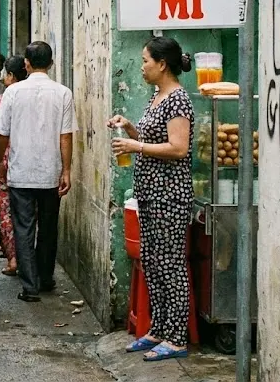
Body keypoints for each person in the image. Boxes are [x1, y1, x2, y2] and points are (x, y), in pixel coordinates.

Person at [107, 37, 194, 362]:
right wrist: (130, 128)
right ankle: (158, 330)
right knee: (153, 262)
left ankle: (176, 337)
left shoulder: (178, 100)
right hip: (150, 194)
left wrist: (136, 148)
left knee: (171, 264)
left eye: (145, 61)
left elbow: (178, 148)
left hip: (170, 195)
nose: (142, 66)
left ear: (162, 64)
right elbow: (150, 139)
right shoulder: (157, 97)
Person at [0, 42, 75, 302]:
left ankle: (30, 287)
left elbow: (0, 133)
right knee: (49, 227)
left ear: (26, 63)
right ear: (51, 63)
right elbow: (66, 136)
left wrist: (0, 163)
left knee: (24, 227)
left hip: (21, 170)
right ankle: (46, 278)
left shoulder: (13, 93)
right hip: (50, 171)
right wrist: (66, 170)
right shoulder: (63, 93)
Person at [0, 56, 27, 277]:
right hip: (31, 158)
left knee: (5, 210)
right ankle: (28, 260)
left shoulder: (3, 98)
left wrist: (1, 160)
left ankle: (12, 259)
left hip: (7, 159)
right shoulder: (35, 96)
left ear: (11, 75)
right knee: (28, 213)